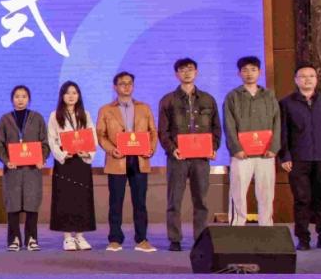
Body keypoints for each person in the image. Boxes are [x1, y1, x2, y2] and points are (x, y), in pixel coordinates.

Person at [279, 64, 321, 250]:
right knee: (302, 200)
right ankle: (303, 239)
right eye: (303, 76)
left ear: (316, 79)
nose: (307, 79)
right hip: (298, 159)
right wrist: (284, 156)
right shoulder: (286, 103)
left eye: (311, 76)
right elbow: (283, 133)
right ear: (296, 80)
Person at [158, 58, 220, 251]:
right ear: (176, 74)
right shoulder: (168, 100)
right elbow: (163, 131)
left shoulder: (208, 99)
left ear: (196, 72)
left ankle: (200, 239)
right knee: (174, 200)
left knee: (201, 201)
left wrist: (213, 147)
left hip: (201, 159)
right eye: (182, 70)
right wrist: (172, 149)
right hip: (178, 157)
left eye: (190, 69)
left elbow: (216, 127)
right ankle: (175, 239)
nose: (186, 73)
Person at [97, 72, 158, 252]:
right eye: (122, 83)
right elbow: (101, 135)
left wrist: (151, 149)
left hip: (139, 159)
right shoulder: (106, 109)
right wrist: (111, 149)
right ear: (115, 87)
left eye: (129, 83)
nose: (126, 86)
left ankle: (142, 239)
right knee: (115, 202)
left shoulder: (144, 108)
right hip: (117, 159)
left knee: (140, 202)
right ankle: (115, 239)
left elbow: (153, 132)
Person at [223, 56, 281, 227]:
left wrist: (274, 147)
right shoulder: (233, 96)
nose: (249, 73)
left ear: (259, 72)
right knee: (238, 191)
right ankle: (237, 226)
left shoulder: (269, 95)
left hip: (266, 153)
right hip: (241, 154)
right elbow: (229, 124)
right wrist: (236, 148)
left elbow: (277, 122)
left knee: (266, 192)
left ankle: (266, 226)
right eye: (245, 70)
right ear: (239, 73)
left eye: (253, 70)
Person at [0, 85, 49, 251]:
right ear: (12, 99)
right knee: (13, 205)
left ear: (29, 99)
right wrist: (6, 161)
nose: (20, 100)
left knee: (32, 204)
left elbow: (45, 143)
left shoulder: (37, 118)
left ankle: (32, 239)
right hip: (13, 170)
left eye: (24, 96)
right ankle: (14, 239)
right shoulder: (5, 119)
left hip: (32, 170)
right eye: (17, 96)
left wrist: (41, 159)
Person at [47, 81, 97, 251]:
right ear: (62, 96)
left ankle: (80, 236)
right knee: (65, 199)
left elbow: (92, 137)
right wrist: (62, 154)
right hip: (65, 162)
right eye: (67, 93)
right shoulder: (55, 115)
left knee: (82, 199)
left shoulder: (85, 115)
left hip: (81, 162)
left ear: (79, 96)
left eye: (74, 93)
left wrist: (87, 153)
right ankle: (68, 237)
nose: (71, 96)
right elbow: (52, 140)